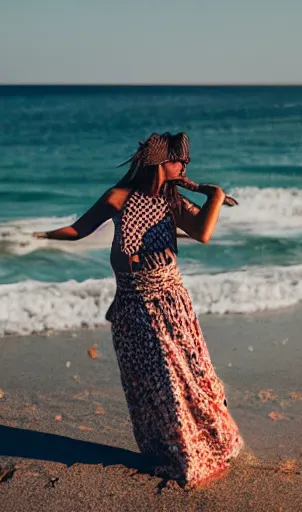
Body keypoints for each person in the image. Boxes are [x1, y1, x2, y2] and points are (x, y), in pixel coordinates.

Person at [33, 132, 244, 488]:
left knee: (180, 379)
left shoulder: (172, 202)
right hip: (132, 304)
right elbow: (80, 229)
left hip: (169, 302)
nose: (185, 167)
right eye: (181, 161)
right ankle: (165, 448)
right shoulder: (120, 196)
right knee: (149, 384)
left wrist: (214, 195)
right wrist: (40, 236)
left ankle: (195, 451)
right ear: (162, 162)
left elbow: (204, 233)